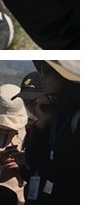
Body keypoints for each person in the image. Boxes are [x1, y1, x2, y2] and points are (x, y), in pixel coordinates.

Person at [22, 60, 79, 204]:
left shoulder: (77, 118)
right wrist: (42, 124)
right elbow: (34, 161)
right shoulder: (57, 116)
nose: (42, 76)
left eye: (47, 70)